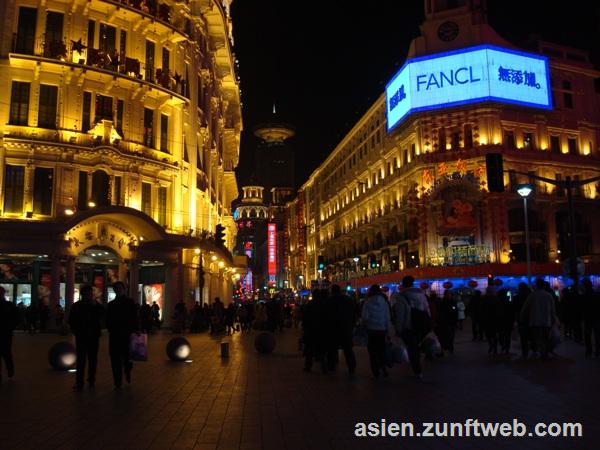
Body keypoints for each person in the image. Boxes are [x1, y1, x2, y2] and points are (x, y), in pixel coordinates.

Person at [392, 276, 431, 378]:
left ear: (403, 284)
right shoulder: (421, 294)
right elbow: (427, 309)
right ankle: (417, 361)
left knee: (412, 347)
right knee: (415, 345)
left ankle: (417, 370)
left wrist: (398, 328)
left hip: (409, 325)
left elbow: (400, 314)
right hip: (422, 324)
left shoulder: (401, 296)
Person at [68, 284, 105, 390]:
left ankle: (91, 379)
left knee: (91, 359)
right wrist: (75, 331)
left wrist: (96, 305)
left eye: (90, 294)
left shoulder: (95, 305)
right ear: (83, 294)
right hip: (82, 336)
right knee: (81, 359)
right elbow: (71, 320)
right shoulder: (77, 306)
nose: (89, 295)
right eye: (87, 294)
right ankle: (80, 381)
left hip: (92, 336)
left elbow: (102, 314)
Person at [105, 281, 139, 389]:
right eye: (117, 288)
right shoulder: (111, 305)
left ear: (124, 289)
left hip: (127, 334)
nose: (118, 290)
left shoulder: (130, 302)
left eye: (120, 288)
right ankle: (117, 381)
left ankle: (127, 371)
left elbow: (135, 317)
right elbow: (108, 319)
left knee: (127, 358)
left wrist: (136, 329)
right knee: (115, 358)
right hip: (115, 334)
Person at [520, 278, 558, 359]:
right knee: (545, 338)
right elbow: (552, 310)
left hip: (535, 321)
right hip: (546, 321)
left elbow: (525, 308)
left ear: (536, 285)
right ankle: (544, 353)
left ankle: (539, 352)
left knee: (537, 338)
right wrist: (554, 320)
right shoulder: (549, 295)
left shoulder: (532, 295)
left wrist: (522, 318)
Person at [361, 284, 391, 378]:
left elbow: (365, 317)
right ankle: (384, 368)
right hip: (382, 329)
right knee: (382, 350)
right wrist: (387, 329)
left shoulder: (368, 302)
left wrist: (364, 325)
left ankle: (375, 372)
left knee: (372, 351)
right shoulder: (385, 302)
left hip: (371, 330)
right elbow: (387, 317)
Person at [330, 284, 357, 375]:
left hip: (334, 327)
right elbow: (354, 313)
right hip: (346, 326)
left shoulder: (330, 300)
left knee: (333, 348)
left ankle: (332, 365)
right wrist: (352, 324)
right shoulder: (348, 300)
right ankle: (351, 366)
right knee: (348, 348)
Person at [0, 286, 19, 383]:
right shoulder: (9, 305)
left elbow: (16, 318)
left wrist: (11, 327)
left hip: (5, 333)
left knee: (6, 353)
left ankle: (10, 370)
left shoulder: (9, 305)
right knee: (6, 353)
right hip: (6, 332)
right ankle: (9, 370)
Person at [582, 278, 600, 358]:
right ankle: (597, 351)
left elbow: (582, 308)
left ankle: (589, 351)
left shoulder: (584, 296)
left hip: (587, 318)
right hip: (596, 317)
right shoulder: (596, 294)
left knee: (588, 335)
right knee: (597, 335)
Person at [513, 282, 532, 358]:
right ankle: (534, 349)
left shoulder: (517, 297)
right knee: (531, 334)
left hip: (521, 319)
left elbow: (514, 308)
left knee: (523, 336)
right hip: (531, 318)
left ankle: (525, 352)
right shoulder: (530, 296)